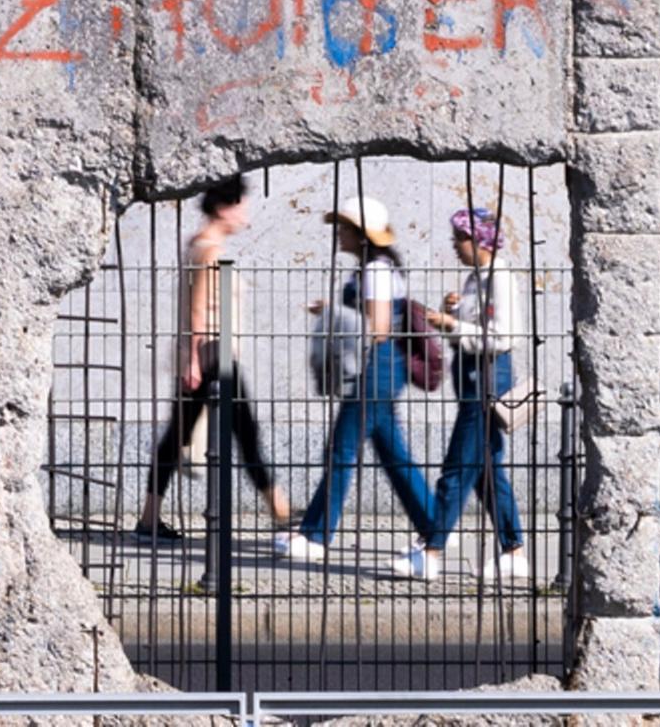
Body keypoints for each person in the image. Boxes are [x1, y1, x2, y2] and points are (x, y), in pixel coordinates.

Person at [276, 196, 434, 561]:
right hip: (380, 367)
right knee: (393, 454)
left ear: (362, 235)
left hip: (376, 366)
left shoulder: (376, 272)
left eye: (344, 228)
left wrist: (332, 311)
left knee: (341, 449)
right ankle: (434, 526)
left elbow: (377, 329)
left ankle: (315, 535)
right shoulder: (370, 270)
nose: (338, 234)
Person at [133, 174, 289, 543]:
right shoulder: (209, 250)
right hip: (212, 354)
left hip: (206, 353)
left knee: (178, 437)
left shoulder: (199, 244)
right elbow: (198, 310)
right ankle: (281, 512)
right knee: (245, 435)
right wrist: (192, 359)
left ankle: (148, 518)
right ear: (225, 208)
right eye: (242, 205)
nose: (246, 213)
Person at [393, 208, 527, 582]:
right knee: (485, 472)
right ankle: (513, 550)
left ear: (480, 240)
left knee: (455, 470)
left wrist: (453, 323)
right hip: (472, 378)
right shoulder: (475, 279)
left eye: (460, 238)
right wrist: (451, 316)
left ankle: (431, 551)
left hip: (486, 380)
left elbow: (506, 335)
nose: (455, 246)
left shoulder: (499, 278)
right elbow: (469, 332)